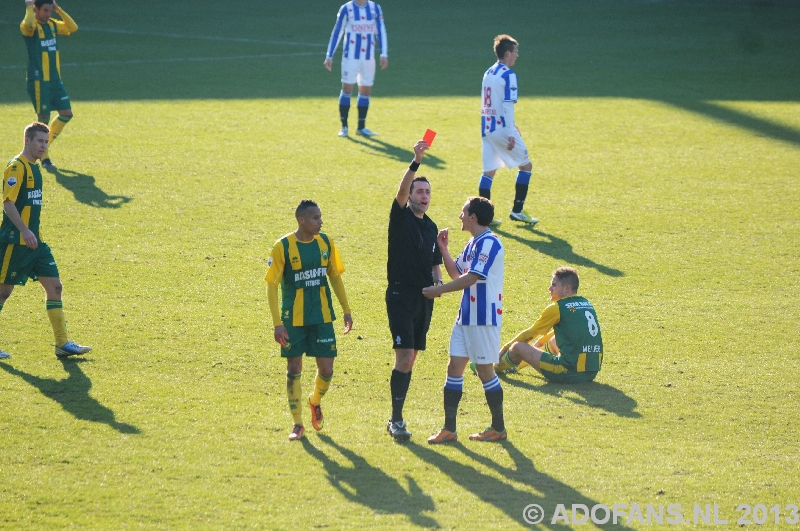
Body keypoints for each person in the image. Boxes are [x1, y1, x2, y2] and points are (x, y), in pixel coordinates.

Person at [0, 122, 91, 360]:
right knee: (3, 292)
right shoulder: (16, 167)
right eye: (40, 141)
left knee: (56, 287)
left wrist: (32, 234)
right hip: (15, 241)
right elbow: (8, 203)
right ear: (27, 141)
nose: (44, 145)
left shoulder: (36, 168)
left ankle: (62, 343)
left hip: (36, 244)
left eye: (46, 141)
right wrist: (24, 231)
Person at [264, 200, 354, 441]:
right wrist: (277, 323)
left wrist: (346, 309)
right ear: (301, 220)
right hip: (292, 320)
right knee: (294, 368)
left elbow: (335, 277)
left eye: (320, 217)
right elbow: (271, 286)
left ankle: (315, 402)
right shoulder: (282, 247)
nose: (320, 221)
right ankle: (297, 424)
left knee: (326, 369)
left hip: (322, 317)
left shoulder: (326, 242)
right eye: (315, 218)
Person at [423, 197, 507, 443]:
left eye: (463, 212)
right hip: (465, 318)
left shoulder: (490, 243)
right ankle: (449, 429)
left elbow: (471, 278)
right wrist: (444, 249)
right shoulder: (472, 243)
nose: (460, 216)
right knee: (453, 368)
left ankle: (498, 428)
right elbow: (456, 272)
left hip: (484, 318)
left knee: (484, 371)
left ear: (473, 217)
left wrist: (440, 290)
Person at [385, 140, 442, 441]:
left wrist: (438, 282)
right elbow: (400, 191)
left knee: (412, 358)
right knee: (404, 356)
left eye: (427, 192)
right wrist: (415, 162)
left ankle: (396, 416)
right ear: (410, 197)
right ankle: (396, 420)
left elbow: (435, 264)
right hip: (400, 295)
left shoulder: (431, 227)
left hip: (424, 299)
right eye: (419, 191)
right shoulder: (401, 217)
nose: (424, 196)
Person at [494, 267, 604, 383]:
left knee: (518, 347)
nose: (549, 289)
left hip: (568, 372)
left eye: (554, 285)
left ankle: (491, 369)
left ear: (567, 288)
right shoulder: (586, 303)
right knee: (553, 340)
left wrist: (504, 349)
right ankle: (516, 366)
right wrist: (540, 343)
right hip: (591, 372)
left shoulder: (558, 307)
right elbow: (574, 331)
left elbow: (530, 334)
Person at [479, 34, 538, 227]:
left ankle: (483, 217)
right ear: (507, 53)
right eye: (515, 52)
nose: (517, 55)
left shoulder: (488, 72)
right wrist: (511, 132)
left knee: (489, 172)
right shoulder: (509, 75)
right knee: (526, 166)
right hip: (501, 129)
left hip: (486, 128)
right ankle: (517, 211)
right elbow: (507, 106)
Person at [20, 0, 79, 171]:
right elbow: (29, 23)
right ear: (36, 9)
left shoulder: (53, 25)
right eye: (44, 11)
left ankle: (42, 147)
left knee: (66, 113)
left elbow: (72, 27)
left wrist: (58, 9)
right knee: (43, 118)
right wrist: (29, 7)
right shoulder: (29, 27)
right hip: (39, 81)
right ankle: (43, 157)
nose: (48, 14)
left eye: (49, 11)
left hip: (55, 80)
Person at [324, 0, 388, 138]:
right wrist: (329, 55)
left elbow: (380, 31)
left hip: (368, 58)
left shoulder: (375, 8)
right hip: (350, 58)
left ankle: (361, 127)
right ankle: (344, 127)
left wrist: (384, 53)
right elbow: (337, 32)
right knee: (347, 88)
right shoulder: (346, 9)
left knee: (365, 90)